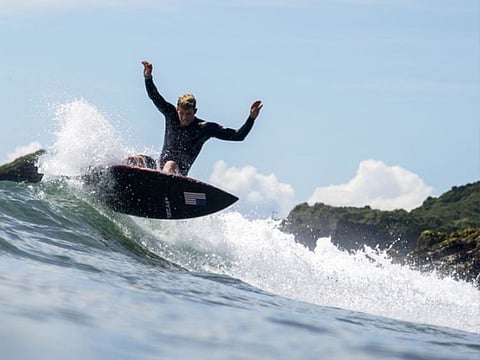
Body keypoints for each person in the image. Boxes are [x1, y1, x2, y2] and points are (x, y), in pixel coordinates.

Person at [128, 60, 263, 176]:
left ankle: (164, 189)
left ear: (195, 111)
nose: (184, 118)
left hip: (177, 173)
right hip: (159, 168)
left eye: (188, 114)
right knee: (133, 160)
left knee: (170, 165)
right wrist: (148, 77)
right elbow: (154, 96)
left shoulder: (204, 128)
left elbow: (238, 136)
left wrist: (251, 118)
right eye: (181, 113)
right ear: (177, 110)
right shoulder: (171, 114)